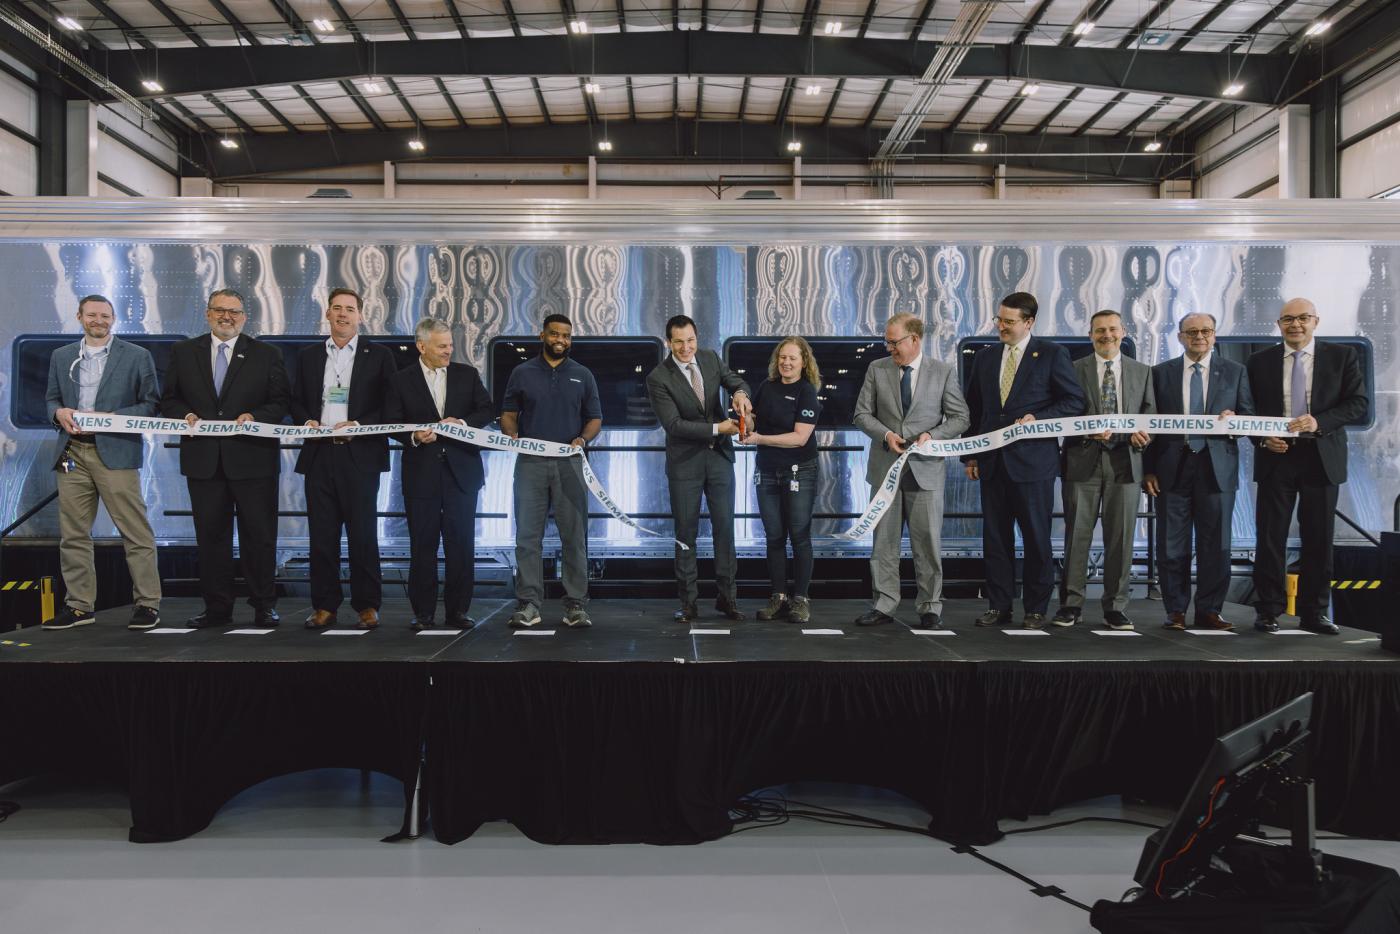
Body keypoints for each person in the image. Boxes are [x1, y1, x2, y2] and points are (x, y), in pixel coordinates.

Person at [160, 288, 290, 629]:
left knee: (259, 536)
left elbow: (281, 403)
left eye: (234, 312)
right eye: (220, 310)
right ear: (208, 313)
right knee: (211, 538)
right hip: (204, 461)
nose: (227, 317)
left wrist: (254, 416)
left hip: (254, 460)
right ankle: (217, 608)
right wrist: (184, 415)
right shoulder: (184, 352)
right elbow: (169, 399)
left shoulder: (266, 354)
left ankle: (264, 605)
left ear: (244, 318)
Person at [962, 292, 1085, 630]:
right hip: (991, 463)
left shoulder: (1051, 354)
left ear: (1029, 322)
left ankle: (1035, 609)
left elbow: (1073, 401)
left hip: (1033, 465)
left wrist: (1038, 418)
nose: (1000, 326)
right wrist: (969, 453)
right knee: (996, 540)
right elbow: (975, 409)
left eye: (1009, 321)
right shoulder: (985, 358)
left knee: (1036, 539)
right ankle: (998, 606)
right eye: (999, 319)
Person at [42, 294, 162, 631]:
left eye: (105, 315)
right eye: (92, 315)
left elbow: (150, 403)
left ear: (114, 319)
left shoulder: (137, 356)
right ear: (79, 316)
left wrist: (111, 418)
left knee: (135, 531)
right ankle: (79, 607)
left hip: (116, 451)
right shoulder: (61, 356)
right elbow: (51, 398)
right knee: (74, 535)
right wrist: (58, 412)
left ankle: (147, 604)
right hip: (72, 453)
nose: (99, 320)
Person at [1248, 298, 1368, 634]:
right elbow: (1248, 410)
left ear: (1316, 320)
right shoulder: (1259, 361)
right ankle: (1268, 610)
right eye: (1288, 319)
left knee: (1319, 538)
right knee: (1270, 538)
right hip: (1276, 456)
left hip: (1321, 457)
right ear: (1279, 323)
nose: (1295, 325)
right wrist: (1260, 439)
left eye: (1302, 318)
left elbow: (1358, 403)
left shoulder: (1342, 357)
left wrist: (1319, 422)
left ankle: (1314, 613)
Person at [289, 288, 399, 631]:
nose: (342, 314)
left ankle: (367, 605)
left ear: (360, 316)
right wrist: (305, 419)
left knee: (362, 534)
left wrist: (361, 425)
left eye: (349, 309)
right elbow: (295, 400)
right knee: (322, 536)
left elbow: (391, 405)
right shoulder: (308, 356)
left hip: (360, 455)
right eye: (336, 308)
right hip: (320, 454)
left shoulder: (379, 356)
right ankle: (324, 606)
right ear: (327, 314)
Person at [852, 314, 970, 630]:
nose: (890, 347)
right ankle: (884, 604)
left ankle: (930, 606)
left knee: (927, 543)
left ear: (914, 339)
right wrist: (886, 435)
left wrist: (934, 436)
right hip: (885, 470)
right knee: (884, 544)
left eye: (895, 342)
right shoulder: (877, 369)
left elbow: (960, 418)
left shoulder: (942, 372)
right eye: (887, 342)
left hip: (926, 472)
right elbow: (862, 415)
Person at [1143, 313, 1253, 631]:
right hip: (1171, 469)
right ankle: (1175, 610)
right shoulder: (1160, 374)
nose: (1199, 336)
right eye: (1192, 332)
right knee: (1171, 544)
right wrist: (1149, 469)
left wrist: (1236, 420)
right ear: (1180, 337)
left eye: (1206, 331)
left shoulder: (1235, 372)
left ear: (1215, 335)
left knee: (1216, 545)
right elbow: (1150, 422)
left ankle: (1209, 611)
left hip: (1216, 468)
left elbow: (1248, 415)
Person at [383, 318, 493, 631]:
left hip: (462, 474)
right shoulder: (400, 380)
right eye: (442, 345)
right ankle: (423, 613)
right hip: (421, 475)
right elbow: (391, 421)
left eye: (449, 345)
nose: (449, 351)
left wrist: (462, 425)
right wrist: (414, 437)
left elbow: (486, 410)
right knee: (423, 546)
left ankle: (458, 611)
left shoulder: (467, 375)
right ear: (422, 346)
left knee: (461, 545)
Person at [645, 314, 752, 625]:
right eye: (678, 342)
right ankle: (688, 603)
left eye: (690, 340)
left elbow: (736, 380)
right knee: (685, 535)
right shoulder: (658, 377)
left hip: (719, 460)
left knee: (725, 531)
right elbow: (675, 425)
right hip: (685, 464)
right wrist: (719, 428)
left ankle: (727, 599)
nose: (685, 347)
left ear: (696, 338)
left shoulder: (709, 358)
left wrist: (741, 393)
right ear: (668, 342)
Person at [500, 314, 603, 630]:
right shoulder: (522, 372)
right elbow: (507, 414)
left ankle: (575, 605)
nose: (561, 340)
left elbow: (595, 418)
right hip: (530, 463)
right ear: (542, 335)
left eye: (567, 336)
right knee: (528, 537)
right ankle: (529, 603)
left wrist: (582, 440)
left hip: (569, 463)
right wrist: (512, 435)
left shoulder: (582, 374)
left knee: (574, 537)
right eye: (555, 334)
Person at [1054, 310, 1154, 631]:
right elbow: (1063, 414)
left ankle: (1115, 607)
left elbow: (1150, 414)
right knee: (1076, 538)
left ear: (1123, 332)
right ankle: (1071, 605)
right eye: (1099, 330)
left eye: (1112, 329)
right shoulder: (1072, 370)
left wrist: (1144, 434)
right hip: (1082, 461)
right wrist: (1086, 431)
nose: (1106, 335)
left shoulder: (1143, 372)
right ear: (1090, 335)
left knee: (1121, 539)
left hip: (1126, 462)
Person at [740, 337, 825, 624]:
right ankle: (778, 597)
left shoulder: (806, 392)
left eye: (792, 358)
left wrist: (759, 438)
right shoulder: (766, 387)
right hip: (766, 471)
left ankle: (801, 600)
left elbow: (800, 438)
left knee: (799, 537)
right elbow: (755, 423)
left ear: (804, 362)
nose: (786, 363)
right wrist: (746, 416)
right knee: (774, 537)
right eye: (782, 358)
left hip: (799, 471)